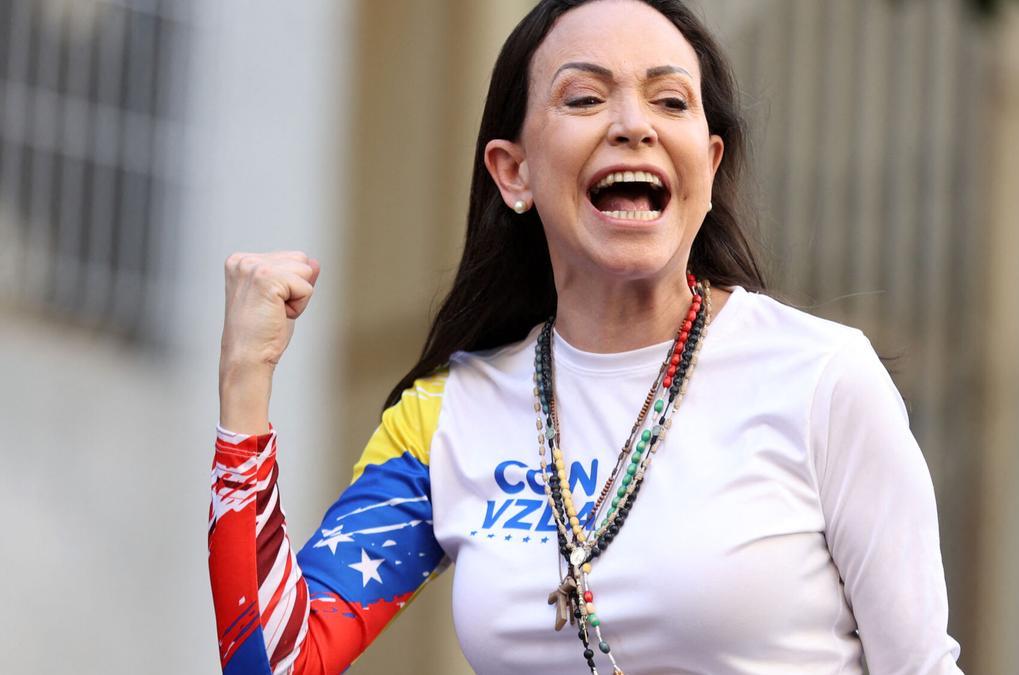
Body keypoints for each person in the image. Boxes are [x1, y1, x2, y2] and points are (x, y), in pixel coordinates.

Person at [208, 0, 964, 673]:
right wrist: (246, 377)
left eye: (669, 99)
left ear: (708, 163)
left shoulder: (821, 377)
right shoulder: (448, 416)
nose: (633, 124)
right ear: (515, 174)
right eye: (585, 96)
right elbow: (275, 662)